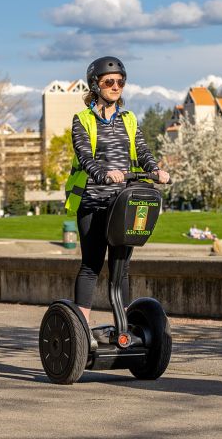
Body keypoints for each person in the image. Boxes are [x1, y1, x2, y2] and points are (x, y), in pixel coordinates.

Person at [65, 56, 169, 325]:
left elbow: (142, 150)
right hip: (92, 201)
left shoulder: (129, 119)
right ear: (95, 85)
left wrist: (155, 170)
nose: (115, 86)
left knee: (121, 268)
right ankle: (82, 329)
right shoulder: (82, 119)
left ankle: (125, 327)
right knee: (91, 264)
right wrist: (102, 174)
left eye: (120, 82)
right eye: (109, 82)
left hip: (122, 202)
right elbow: (84, 156)